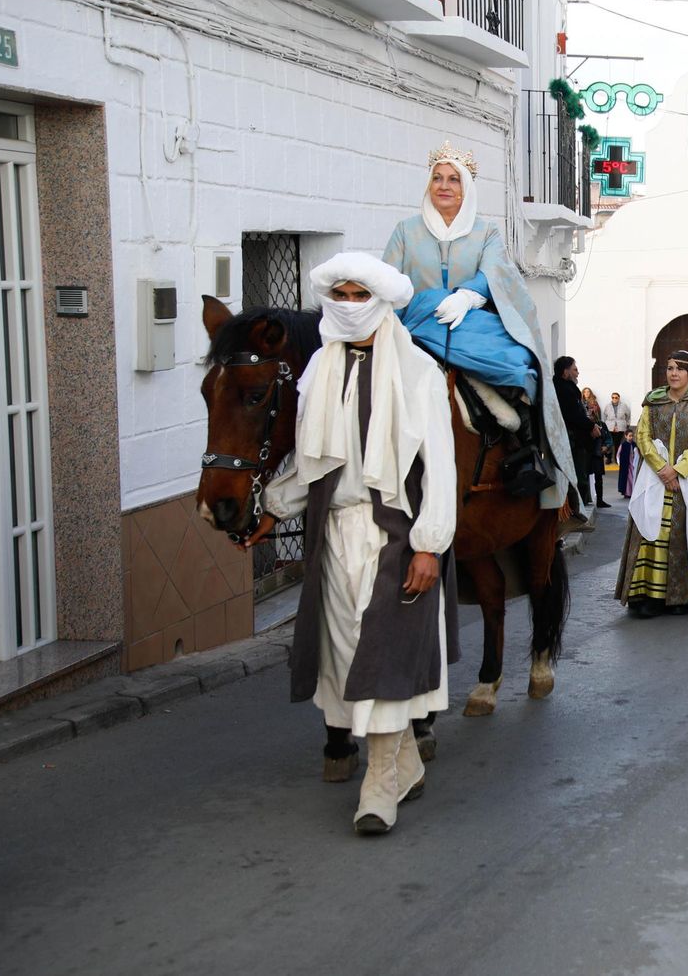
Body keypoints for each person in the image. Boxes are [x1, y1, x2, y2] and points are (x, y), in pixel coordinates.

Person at [242, 253, 458, 836]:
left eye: (360, 293)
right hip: (332, 536)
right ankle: (405, 762)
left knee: (382, 652)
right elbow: (314, 460)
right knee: (343, 657)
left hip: (395, 535)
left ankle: (379, 781)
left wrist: (429, 544)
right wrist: (272, 508)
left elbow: (440, 464)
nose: (348, 303)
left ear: (382, 300)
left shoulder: (418, 372)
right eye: (339, 293)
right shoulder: (318, 368)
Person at [382, 141, 574, 505]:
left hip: (468, 323)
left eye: (453, 179)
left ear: (466, 188)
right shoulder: (405, 231)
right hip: (418, 322)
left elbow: (497, 272)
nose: (443, 186)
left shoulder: (486, 232)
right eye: (437, 178)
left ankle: (532, 456)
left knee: (521, 367)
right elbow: (388, 279)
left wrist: (467, 296)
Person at [616, 351, 688, 616]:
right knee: (652, 533)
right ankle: (649, 595)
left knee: (683, 533)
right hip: (656, 477)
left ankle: (685, 595)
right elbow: (643, 436)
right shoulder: (653, 401)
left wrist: (679, 471)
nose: (674, 373)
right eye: (670, 368)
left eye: (680, 369)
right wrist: (662, 468)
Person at [553, 356, 600, 506]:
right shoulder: (563, 389)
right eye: (575, 369)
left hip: (575, 438)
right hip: (571, 439)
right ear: (566, 372)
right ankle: (576, 509)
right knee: (578, 476)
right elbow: (573, 415)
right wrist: (591, 426)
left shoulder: (565, 387)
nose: (578, 373)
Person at [582, 386, 609, 507]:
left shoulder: (601, 424)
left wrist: (606, 446)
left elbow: (608, 438)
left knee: (598, 478)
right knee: (584, 477)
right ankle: (584, 499)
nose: (591, 411)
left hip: (597, 454)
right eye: (589, 409)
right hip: (586, 453)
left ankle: (600, 500)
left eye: (593, 409)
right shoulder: (583, 425)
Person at [603, 391, 633, 455]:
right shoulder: (607, 406)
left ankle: (616, 457)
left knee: (617, 443)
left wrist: (626, 423)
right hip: (610, 427)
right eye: (613, 397)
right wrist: (606, 424)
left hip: (620, 427)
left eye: (616, 397)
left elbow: (628, 415)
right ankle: (609, 458)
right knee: (609, 443)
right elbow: (604, 416)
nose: (614, 399)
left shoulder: (624, 406)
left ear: (619, 398)